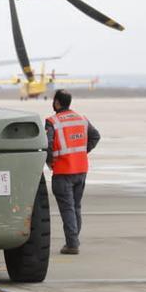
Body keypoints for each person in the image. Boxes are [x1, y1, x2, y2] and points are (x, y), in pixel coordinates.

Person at [45, 89, 100, 255]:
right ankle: (74, 240)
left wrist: (50, 162)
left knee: (68, 208)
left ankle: (72, 244)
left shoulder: (52, 121)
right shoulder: (82, 119)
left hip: (63, 171)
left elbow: (47, 145)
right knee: (75, 207)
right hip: (81, 169)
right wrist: (82, 152)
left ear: (57, 103)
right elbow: (95, 136)